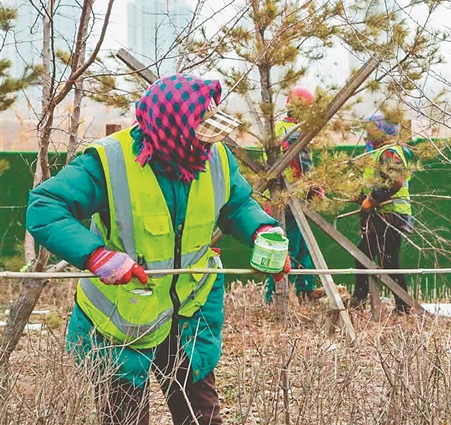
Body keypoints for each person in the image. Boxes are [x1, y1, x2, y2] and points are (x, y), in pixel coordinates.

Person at [25, 74, 288, 425]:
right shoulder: (108, 162)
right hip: (121, 321)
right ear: (172, 130)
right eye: (201, 132)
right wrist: (96, 256)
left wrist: (263, 230)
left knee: (202, 418)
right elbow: (45, 207)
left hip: (190, 311)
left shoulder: (215, 157)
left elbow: (237, 205)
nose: (207, 144)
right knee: (125, 418)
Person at [264, 86, 323, 303]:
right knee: (292, 247)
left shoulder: (277, 128)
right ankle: (277, 295)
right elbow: (303, 165)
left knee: (291, 245)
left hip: (277, 195)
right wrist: (316, 188)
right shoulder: (296, 132)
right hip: (293, 196)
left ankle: (302, 289)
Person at [352, 113, 414, 314]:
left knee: (384, 260)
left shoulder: (388, 152)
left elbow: (395, 182)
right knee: (372, 257)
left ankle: (401, 306)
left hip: (391, 215)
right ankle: (365, 301)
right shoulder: (380, 153)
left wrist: (371, 200)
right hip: (384, 214)